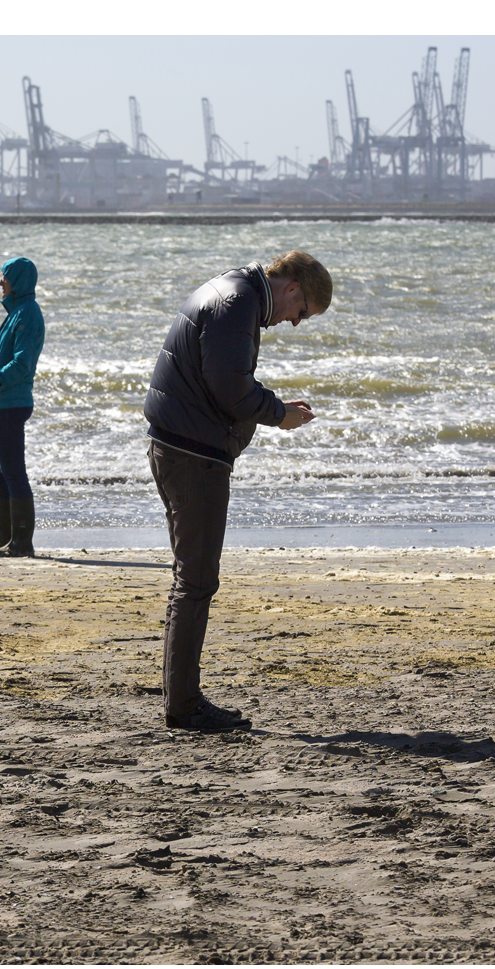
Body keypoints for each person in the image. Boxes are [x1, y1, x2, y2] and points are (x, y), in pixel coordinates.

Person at [143, 251, 331, 731]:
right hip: (193, 456)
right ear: (292, 289)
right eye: (302, 312)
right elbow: (229, 387)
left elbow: (224, 380)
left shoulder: (233, 290)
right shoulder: (238, 302)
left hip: (180, 446)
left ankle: (180, 697)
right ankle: (182, 705)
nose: (294, 323)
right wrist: (278, 414)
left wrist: (271, 405)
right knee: (196, 581)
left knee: (192, 578)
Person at [0, 257, 44, 558]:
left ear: (18, 281)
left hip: (9, 403)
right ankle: (3, 537)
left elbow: (22, 363)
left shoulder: (28, 314)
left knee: (13, 471)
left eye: (5, 277)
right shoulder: (16, 312)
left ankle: (22, 543)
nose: (0, 282)